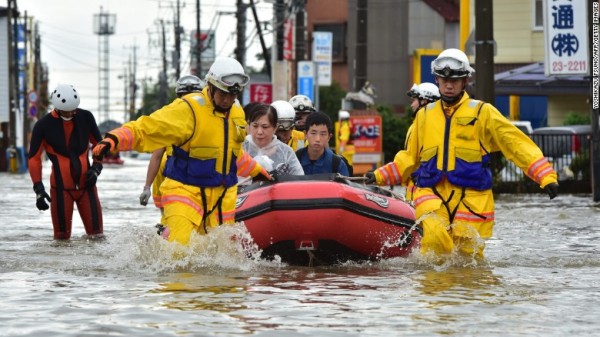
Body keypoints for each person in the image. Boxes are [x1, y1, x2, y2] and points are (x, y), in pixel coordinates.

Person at [364, 48, 559, 260]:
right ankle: (433, 292)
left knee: (468, 260)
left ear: (465, 81)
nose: (449, 85)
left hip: (472, 200)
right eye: (444, 79)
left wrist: (545, 176)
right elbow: (409, 158)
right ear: (437, 79)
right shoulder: (424, 116)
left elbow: (516, 143)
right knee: (435, 243)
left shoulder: (483, 113)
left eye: (455, 80)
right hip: (432, 194)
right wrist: (379, 176)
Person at [93, 56, 272, 245]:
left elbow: (233, 155)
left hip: (221, 198)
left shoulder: (237, 113)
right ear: (210, 86)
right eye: (223, 94)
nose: (227, 99)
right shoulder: (188, 109)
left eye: (232, 95)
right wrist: (114, 139)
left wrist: (258, 172)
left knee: (223, 256)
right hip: (185, 192)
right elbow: (147, 127)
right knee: (180, 251)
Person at [28, 84, 104, 240]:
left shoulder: (86, 117)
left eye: (73, 109)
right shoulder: (43, 126)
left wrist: (96, 169)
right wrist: (39, 190)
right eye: (67, 110)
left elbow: (99, 144)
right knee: (61, 240)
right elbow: (34, 158)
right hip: (61, 190)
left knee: (97, 237)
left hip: (87, 186)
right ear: (57, 107)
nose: (70, 113)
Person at [139, 75, 205, 228]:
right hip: (173, 175)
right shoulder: (169, 119)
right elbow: (157, 156)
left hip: (200, 175)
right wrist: (147, 187)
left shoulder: (210, 117)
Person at [243, 103, 304, 176]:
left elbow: (298, 179)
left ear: (275, 127)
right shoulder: (240, 148)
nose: (259, 132)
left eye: (265, 127)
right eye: (255, 126)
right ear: (248, 126)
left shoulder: (286, 153)